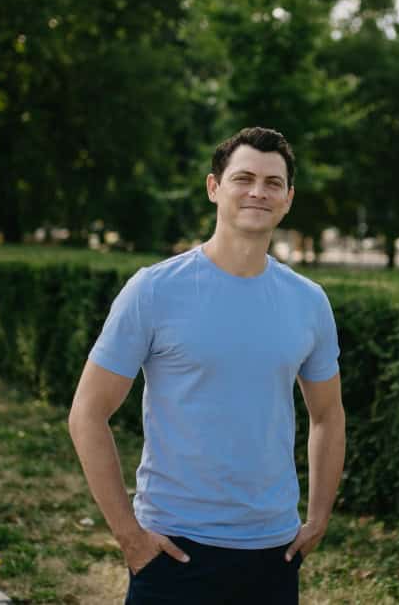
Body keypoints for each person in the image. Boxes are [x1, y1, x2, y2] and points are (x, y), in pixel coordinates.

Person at [68, 126, 346, 604]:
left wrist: (318, 519)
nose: (258, 191)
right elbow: (87, 415)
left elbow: (328, 416)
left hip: (272, 554)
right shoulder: (154, 290)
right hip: (175, 552)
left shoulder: (309, 302)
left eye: (273, 183)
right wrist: (130, 537)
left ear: (288, 199)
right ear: (214, 188)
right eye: (244, 178)